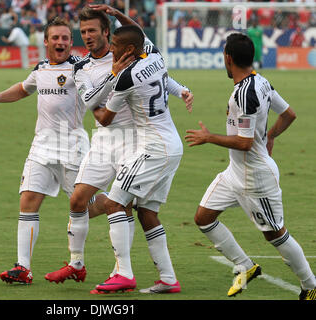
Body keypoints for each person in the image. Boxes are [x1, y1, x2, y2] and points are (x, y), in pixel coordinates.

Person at [184, 33, 316, 300]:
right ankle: (245, 265)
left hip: (256, 177)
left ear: (228, 58)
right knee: (203, 217)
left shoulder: (245, 93)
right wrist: (270, 136)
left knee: (275, 235)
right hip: (236, 172)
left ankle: (310, 285)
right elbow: (289, 114)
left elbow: (244, 143)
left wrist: (209, 137)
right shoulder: (260, 82)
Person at [87, 24, 193, 294]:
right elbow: (139, 32)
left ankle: (123, 274)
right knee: (146, 213)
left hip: (154, 149)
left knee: (113, 203)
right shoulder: (155, 57)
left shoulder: (126, 77)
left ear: (130, 50)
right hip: (172, 145)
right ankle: (169, 279)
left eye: (116, 46)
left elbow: (106, 119)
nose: (111, 48)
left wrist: (93, 103)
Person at [0, 17, 91, 285]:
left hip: (72, 146)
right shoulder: (41, 68)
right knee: (28, 199)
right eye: (55, 37)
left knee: (87, 205)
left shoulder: (80, 68)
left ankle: (118, 208)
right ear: (46, 41)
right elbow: (24, 89)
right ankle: (23, 268)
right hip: (41, 145)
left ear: (71, 41)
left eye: (66, 38)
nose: (61, 42)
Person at [44, 5, 138, 285]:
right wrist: (113, 75)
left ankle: (122, 271)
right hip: (102, 139)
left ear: (106, 32)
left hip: (132, 138)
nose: (86, 36)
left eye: (92, 30)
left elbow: (140, 37)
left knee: (122, 204)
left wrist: (180, 89)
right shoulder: (81, 67)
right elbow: (90, 100)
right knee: (77, 200)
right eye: (83, 32)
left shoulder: (127, 55)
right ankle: (76, 264)